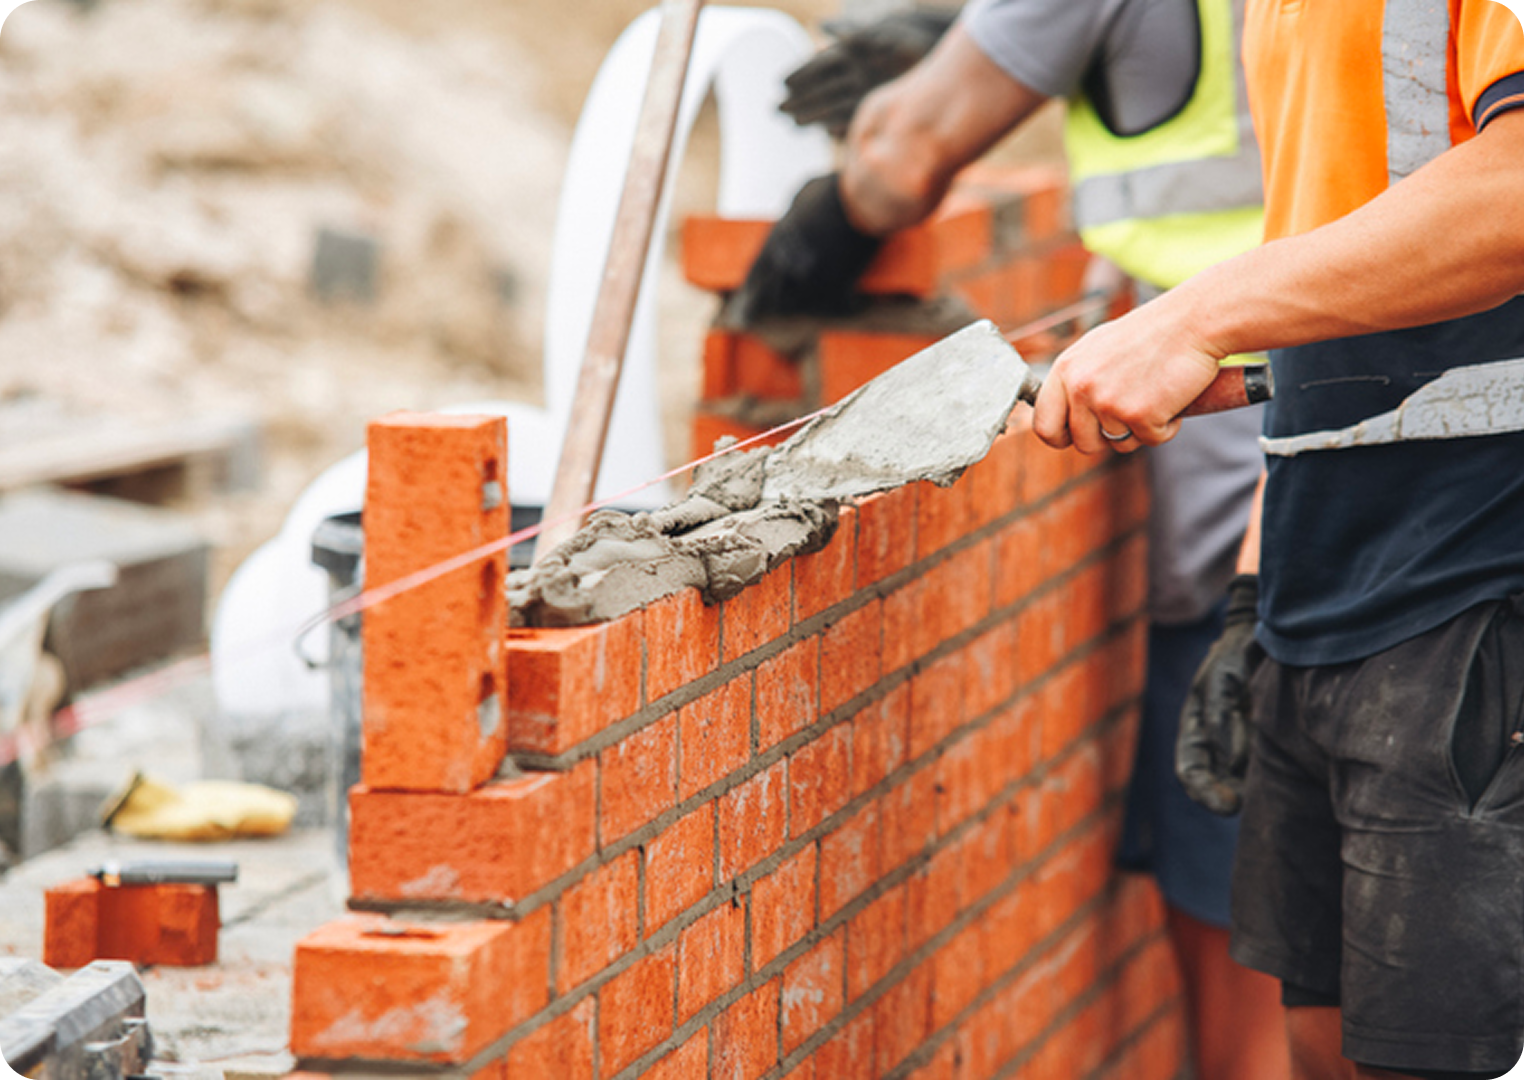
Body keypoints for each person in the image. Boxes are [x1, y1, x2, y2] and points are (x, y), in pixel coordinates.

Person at [734, 3, 1288, 1078]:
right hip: (1410, 474)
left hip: (1249, 526)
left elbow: (901, 159)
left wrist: (820, 234)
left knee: (1260, 1021)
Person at [1031, 2, 1524, 1078]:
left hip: (1483, 572)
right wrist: (1255, 595)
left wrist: (1190, 314)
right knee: (1326, 1041)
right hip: (1324, 570)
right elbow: (1338, 265)